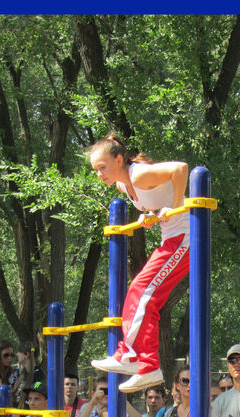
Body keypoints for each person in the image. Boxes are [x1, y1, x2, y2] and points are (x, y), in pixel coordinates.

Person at [89, 134, 189, 393]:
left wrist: (174, 206)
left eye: (102, 167)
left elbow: (180, 169)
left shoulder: (137, 175)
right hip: (171, 239)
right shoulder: (124, 186)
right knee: (141, 294)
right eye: (95, 170)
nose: (99, 174)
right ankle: (144, 363)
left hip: (185, 239)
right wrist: (152, 215)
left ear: (119, 160)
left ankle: (135, 357)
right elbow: (159, 201)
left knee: (140, 292)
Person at [13, 341, 44, 408]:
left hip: (28, 414)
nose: (17, 354)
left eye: (19, 352)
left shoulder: (39, 375)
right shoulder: (20, 374)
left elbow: (36, 391)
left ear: (26, 355)